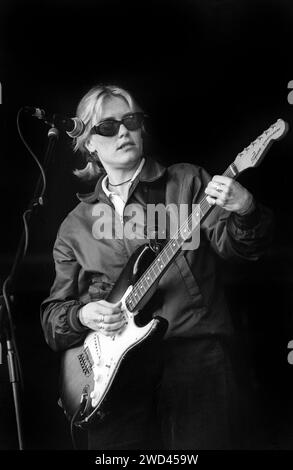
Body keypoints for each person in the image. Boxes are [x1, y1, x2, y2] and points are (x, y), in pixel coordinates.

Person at [40, 84, 273, 450]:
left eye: (131, 121)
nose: (123, 132)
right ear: (87, 143)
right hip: (115, 377)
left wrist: (246, 211)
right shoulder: (75, 226)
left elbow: (240, 251)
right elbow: (54, 320)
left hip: (196, 355)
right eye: (107, 127)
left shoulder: (188, 181)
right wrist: (84, 316)